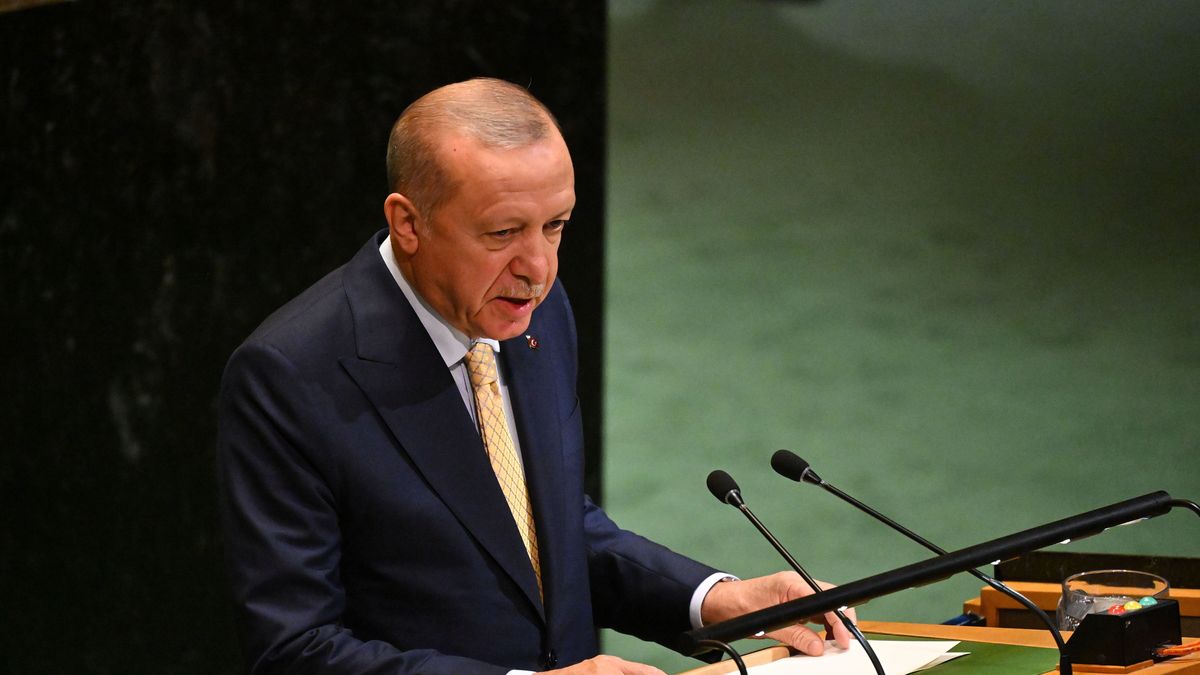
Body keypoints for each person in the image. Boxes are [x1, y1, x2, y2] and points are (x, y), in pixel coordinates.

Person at [217, 77, 852, 675]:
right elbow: (295, 648)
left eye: (556, 227)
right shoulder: (290, 375)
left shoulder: (534, 312)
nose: (539, 268)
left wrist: (714, 599)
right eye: (503, 232)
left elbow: (544, 529)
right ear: (408, 223)